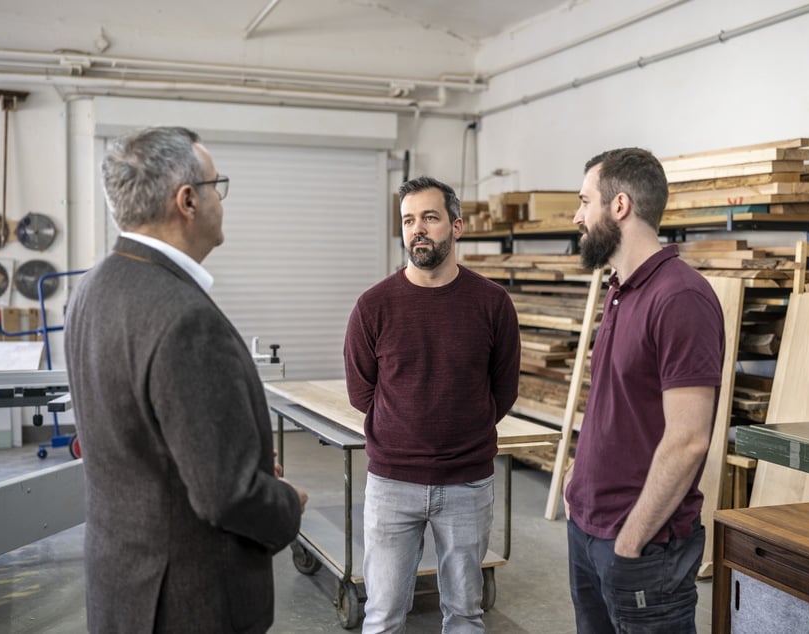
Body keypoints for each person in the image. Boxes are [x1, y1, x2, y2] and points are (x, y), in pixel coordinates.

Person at [64, 126, 307, 634]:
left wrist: (238, 456)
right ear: (188, 201)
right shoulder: (184, 318)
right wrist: (285, 502)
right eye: (218, 185)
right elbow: (226, 496)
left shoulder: (93, 288)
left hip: (124, 584)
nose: (222, 199)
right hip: (186, 601)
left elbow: (142, 438)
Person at [344, 175, 521, 632]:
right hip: (391, 483)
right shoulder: (373, 306)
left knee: (465, 613)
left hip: (466, 484)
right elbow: (362, 392)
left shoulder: (493, 304)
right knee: (383, 615)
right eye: (408, 220)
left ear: (457, 227)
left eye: (429, 217)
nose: (417, 229)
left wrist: (460, 429)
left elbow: (502, 391)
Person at [563, 148, 725, 633]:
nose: (576, 216)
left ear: (619, 206)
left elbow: (689, 439)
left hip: (641, 548)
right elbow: (615, 404)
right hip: (589, 529)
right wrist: (576, 481)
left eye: (584, 201)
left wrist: (631, 541)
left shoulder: (680, 298)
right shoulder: (621, 288)